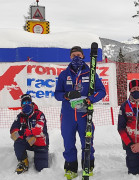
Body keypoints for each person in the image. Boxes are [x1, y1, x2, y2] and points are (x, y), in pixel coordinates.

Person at [55, 46, 106, 179]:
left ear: (83, 56)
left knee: (87, 141)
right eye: (73, 55)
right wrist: (66, 95)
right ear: (70, 57)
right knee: (68, 143)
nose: (76, 57)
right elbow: (56, 94)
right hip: (68, 115)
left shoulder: (91, 74)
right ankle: (71, 168)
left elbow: (102, 91)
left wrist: (91, 99)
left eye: (78, 55)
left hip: (84, 114)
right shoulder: (64, 74)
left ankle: (87, 166)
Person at [10, 94, 49, 174]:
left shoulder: (39, 114)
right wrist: (17, 133)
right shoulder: (20, 116)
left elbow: (38, 130)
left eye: (28, 102)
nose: (26, 104)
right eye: (24, 103)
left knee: (41, 168)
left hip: (40, 142)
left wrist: (25, 132)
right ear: (21, 105)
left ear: (31, 103)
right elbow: (13, 129)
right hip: (29, 140)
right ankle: (23, 162)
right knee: (17, 140)